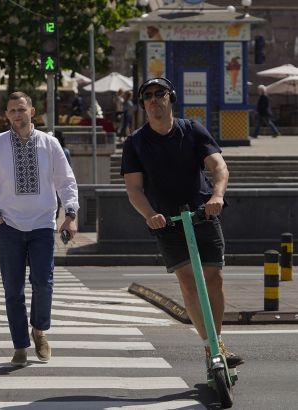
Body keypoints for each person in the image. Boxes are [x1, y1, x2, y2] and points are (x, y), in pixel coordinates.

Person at [120, 77, 244, 375]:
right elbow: (134, 189)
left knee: (213, 278)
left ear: (170, 97)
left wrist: (217, 196)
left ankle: (217, 343)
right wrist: (149, 214)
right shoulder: (135, 142)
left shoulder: (191, 130)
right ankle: (211, 346)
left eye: (159, 93)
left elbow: (219, 167)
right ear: (143, 104)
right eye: (147, 96)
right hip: (167, 221)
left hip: (203, 214)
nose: (154, 99)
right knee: (188, 283)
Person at [0, 91, 79, 367]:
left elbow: (66, 181)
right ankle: (20, 345)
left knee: (43, 283)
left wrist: (70, 214)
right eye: (12, 110)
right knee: (13, 288)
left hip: (42, 224)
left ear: (32, 111)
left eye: (21, 109)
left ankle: (39, 331)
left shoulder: (50, 143)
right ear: (6, 115)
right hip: (8, 225)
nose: (17, 115)